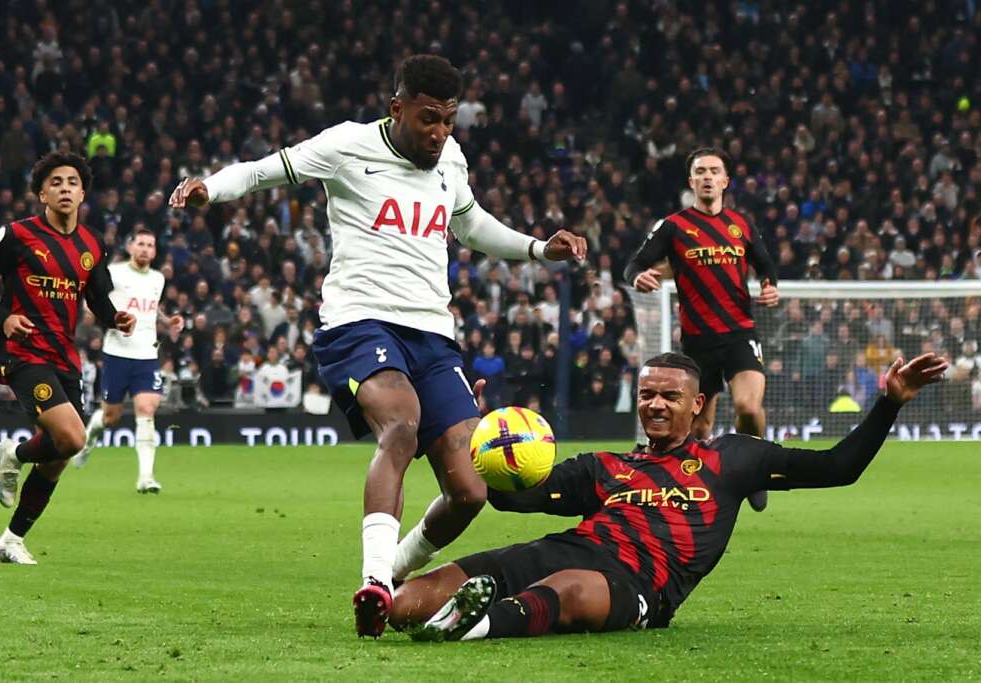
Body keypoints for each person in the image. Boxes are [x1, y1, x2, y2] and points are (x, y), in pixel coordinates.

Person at [168, 54, 587, 636]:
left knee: (469, 491)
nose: (439, 134)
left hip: (434, 334)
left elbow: (472, 225)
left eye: (448, 121)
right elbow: (264, 170)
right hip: (359, 322)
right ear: (397, 109)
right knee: (402, 425)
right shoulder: (348, 146)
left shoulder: (452, 162)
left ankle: (391, 573)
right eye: (428, 120)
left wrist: (541, 249)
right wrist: (207, 190)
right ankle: (371, 580)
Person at [391, 351, 947, 641]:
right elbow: (518, 499)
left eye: (669, 396)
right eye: (647, 395)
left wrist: (889, 404)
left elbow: (837, 468)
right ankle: (400, 606)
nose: (655, 405)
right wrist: (488, 442)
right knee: (423, 594)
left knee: (570, 592)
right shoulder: (606, 467)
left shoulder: (734, 457)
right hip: (565, 549)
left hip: (636, 586)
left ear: (698, 402)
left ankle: (475, 626)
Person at [0, 151, 135, 564]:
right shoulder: (18, 235)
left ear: (82, 193)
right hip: (23, 350)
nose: (65, 188)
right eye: (56, 182)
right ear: (41, 193)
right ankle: (15, 454)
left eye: (72, 182)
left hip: (64, 354)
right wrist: (4, 319)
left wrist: (116, 318)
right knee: (74, 438)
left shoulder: (92, 243)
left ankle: (11, 539)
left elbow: (96, 296)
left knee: (60, 455)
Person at [624, 147, 779, 511]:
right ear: (691, 181)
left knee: (748, 407)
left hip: (740, 334)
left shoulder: (741, 225)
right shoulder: (674, 227)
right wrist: (638, 277)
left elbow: (766, 264)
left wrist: (770, 285)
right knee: (698, 429)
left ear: (725, 181)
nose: (707, 176)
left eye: (714, 171)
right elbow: (634, 263)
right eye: (700, 171)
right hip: (697, 344)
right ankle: (693, 492)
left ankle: (754, 471)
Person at [71, 228, 184, 493]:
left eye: (150, 245)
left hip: (146, 355)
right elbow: (94, 299)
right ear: (131, 247)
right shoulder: (115, 272)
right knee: (111, 417)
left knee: (147, 409)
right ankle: (88, 442)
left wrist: (168, 322)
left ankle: (146, 477)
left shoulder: (158, 279)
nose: (145, 249)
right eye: (141, 243)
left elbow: (151, 307)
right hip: (117, 353)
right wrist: (105, 319)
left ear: (155, 251)